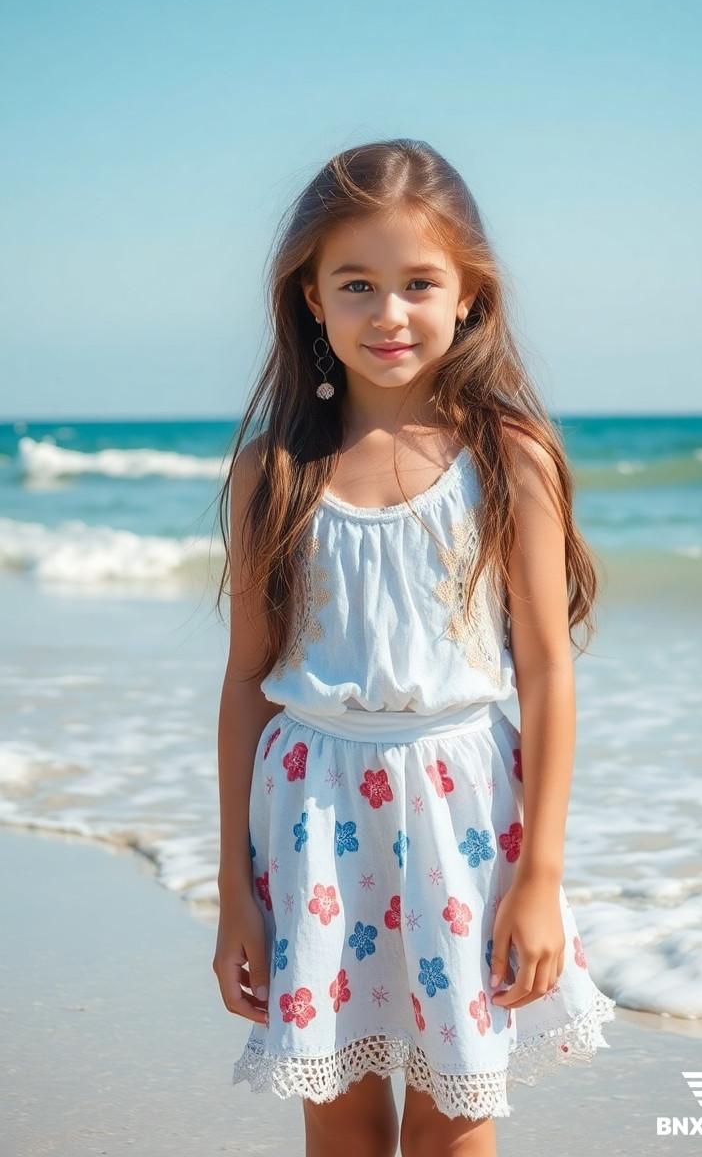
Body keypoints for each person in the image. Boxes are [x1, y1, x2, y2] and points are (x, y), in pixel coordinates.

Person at [212, 139, 616, 1157]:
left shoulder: (505, 457)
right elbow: (246, 684)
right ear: (310, 297)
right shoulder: (277, 472)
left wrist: (543, 881)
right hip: (309, 813)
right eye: (357, 284)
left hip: (463, 809)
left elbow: (546, 671)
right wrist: (235, 892)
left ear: (469, 294)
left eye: (418, 283)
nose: (389, 312)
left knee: (457, 1110)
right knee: (340, 1119)